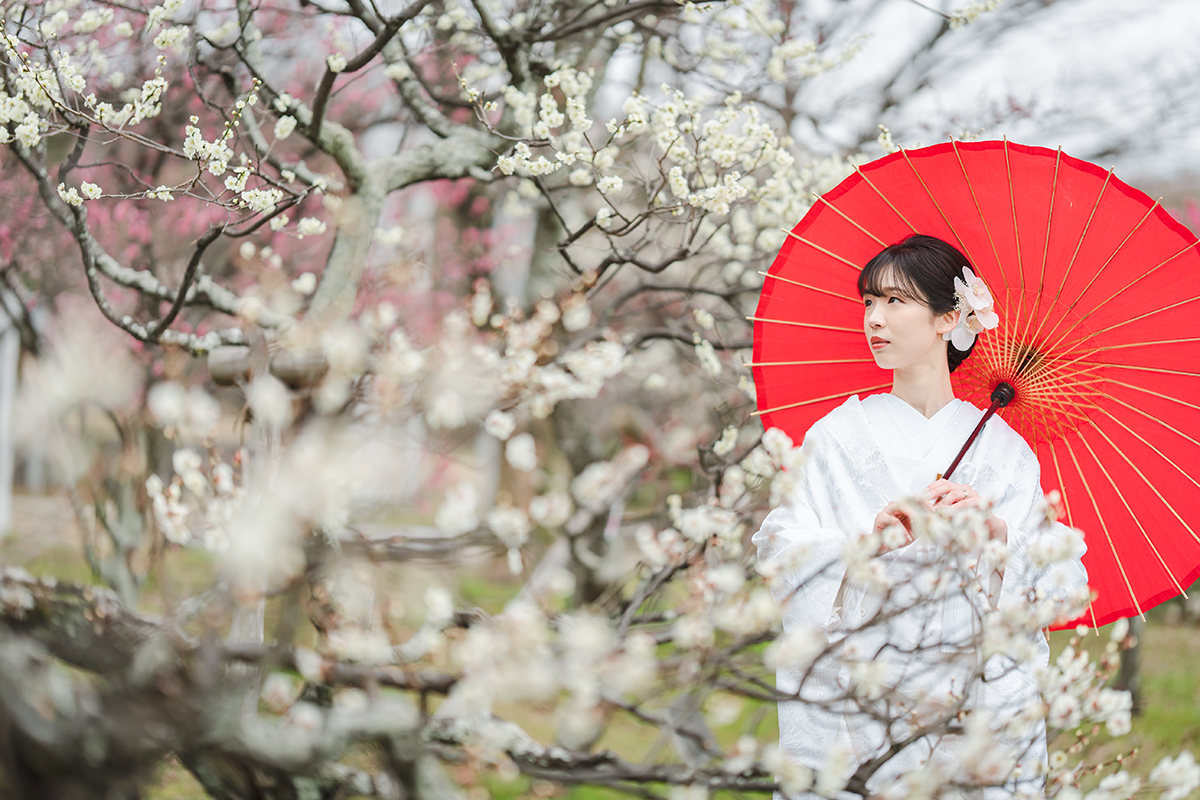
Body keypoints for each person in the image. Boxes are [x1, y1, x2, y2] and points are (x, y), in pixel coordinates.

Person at [751, 234, 1088, 798]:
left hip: (969, 691)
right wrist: (867, 542)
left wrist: (999, 536)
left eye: (894, 302)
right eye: (868, 303)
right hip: (863, 683)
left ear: (948, 318)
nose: (873, 320)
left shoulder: (1002, 451)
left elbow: (1062, 583)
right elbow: (782, 550)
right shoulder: (836, 437)